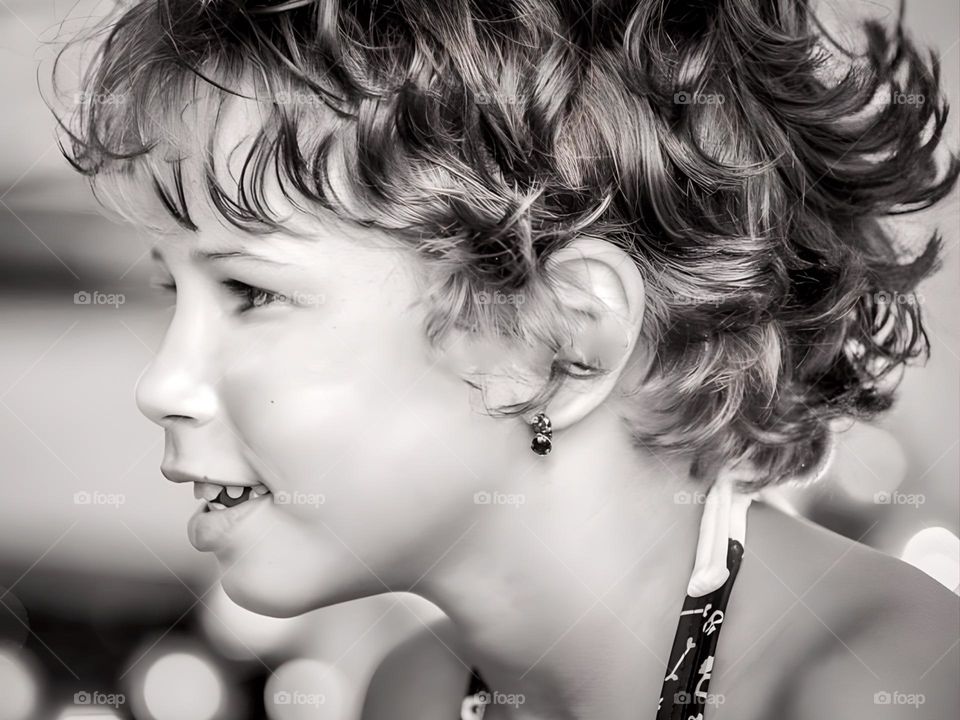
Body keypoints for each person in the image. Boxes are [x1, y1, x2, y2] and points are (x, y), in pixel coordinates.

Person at [52, 1, 959, 718]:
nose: (161, 385)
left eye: (251, 293)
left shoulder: (895, 687)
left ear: (562, 338)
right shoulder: (414, 694)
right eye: (175, 294)